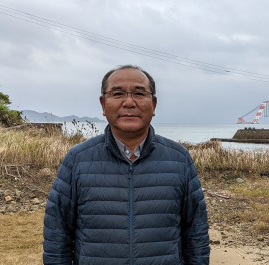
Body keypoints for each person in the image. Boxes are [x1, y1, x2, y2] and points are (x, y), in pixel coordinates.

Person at [43, 65, 210, 265]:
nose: (129, 102)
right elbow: (57, 232)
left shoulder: (179, 159)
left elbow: (196, 233)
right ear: (103, 105)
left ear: (154, 104)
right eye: (118, 93)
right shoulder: (78, 159)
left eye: (139, 93)